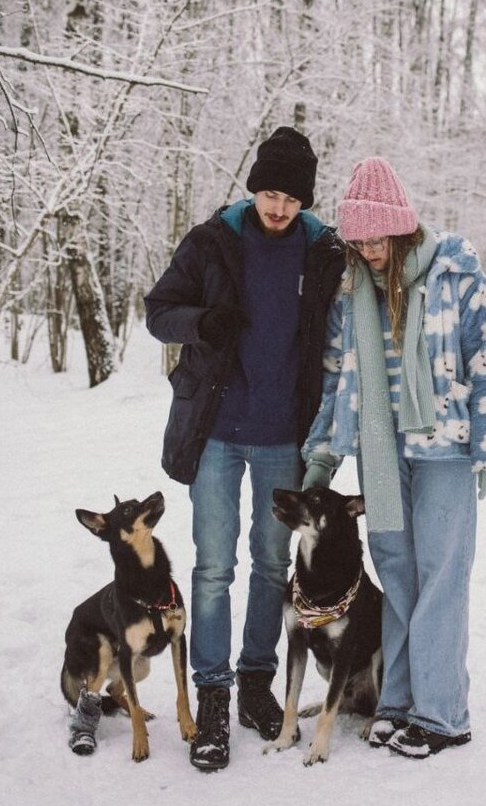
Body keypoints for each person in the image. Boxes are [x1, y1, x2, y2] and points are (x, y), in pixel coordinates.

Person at [145, 126, 345, 771]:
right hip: (217, 434)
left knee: (268, 563)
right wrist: (202, 323)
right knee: (212, 568)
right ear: (253, 187)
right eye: (269, 192)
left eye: (291, 198)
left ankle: (257, 684)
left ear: (306, 202)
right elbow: (159, 310)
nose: (278, 207)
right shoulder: (212, 242)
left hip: (284, 435)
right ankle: (211, 699)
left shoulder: (323, 253)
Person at [302, 157, 486, 758]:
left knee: (442, 578)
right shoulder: (352, 293)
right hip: (380, 450)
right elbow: (336, 380)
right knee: (396, 574)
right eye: (358, 238)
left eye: (377, 237)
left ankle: (442, 714)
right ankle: (395, 700)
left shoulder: (455, 272)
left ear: (401, 229)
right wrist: (322, 454)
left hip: (445, 448)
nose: (368, 249)